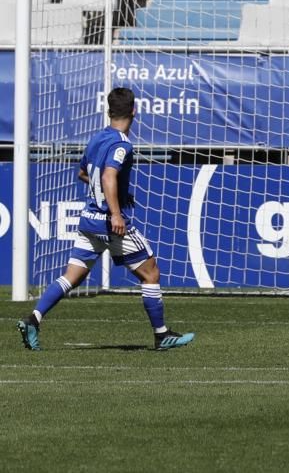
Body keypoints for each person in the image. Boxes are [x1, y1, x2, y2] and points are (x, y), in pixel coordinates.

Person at [17, 88, 194, 352]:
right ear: (134, 111)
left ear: (109, 111)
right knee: (151, 271)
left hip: (88, 220)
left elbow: (83, 173)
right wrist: (115, 211)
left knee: (71, 277)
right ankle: (161, 335)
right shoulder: (122, 144)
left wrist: (118, 195)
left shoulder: (97, 138)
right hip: (107, 223)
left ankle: (34, 319)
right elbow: (109, 176)